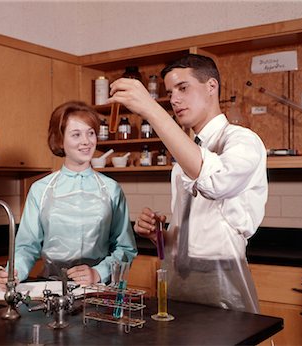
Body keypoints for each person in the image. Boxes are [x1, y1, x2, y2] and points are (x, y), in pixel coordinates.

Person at [108, 54, 268, 313]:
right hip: (178, 292)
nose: (174, 100)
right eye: (170, 93)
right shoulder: (185, 155)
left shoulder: (243, 141)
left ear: (211, 87)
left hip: (224, 294)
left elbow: (213, 181)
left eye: (183, 88)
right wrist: (160, 234)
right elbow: (193, 234)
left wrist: (151, 109)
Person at [0, 101, 137, 289]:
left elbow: (126, 249)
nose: (86, 141)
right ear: (59, 140)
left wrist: (98, 272)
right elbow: (26, 247)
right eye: (76, 134)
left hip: (97, 290)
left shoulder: (111, 189)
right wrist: (14, 271)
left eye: (91, 133)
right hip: (50, 287)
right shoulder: (40, 189)